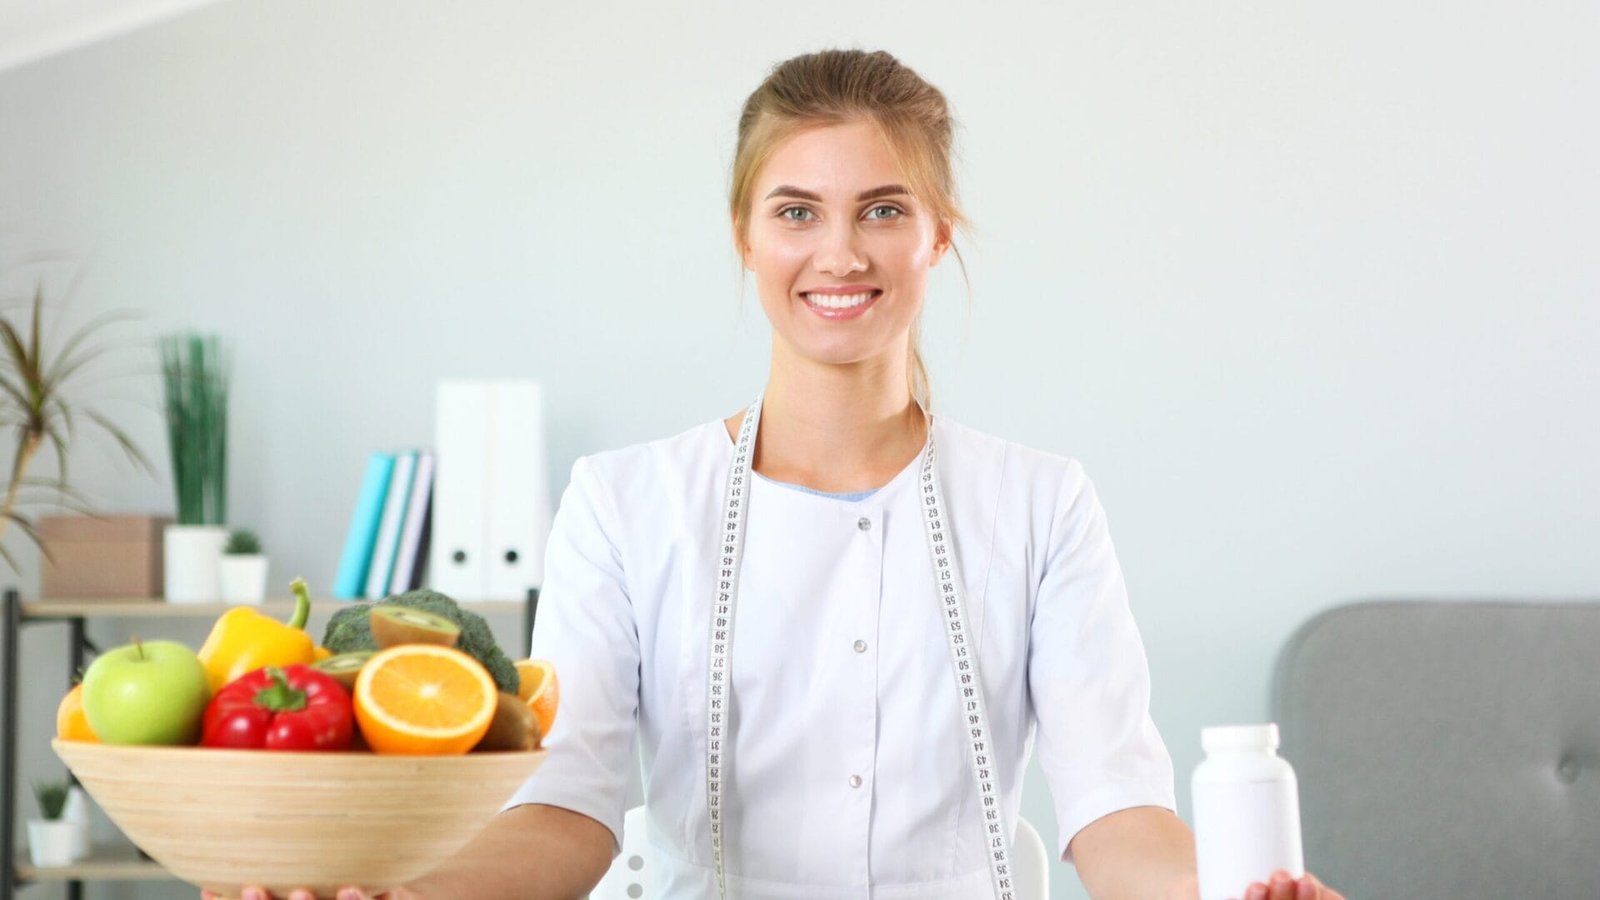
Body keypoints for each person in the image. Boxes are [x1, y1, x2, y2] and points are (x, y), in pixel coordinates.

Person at [213, 49, 1343, 900]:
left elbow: (1114, 810)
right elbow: (567, 810)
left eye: (883, 210)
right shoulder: (626, 504)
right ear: (745, 235)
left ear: (937, 236)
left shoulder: (1041, 504)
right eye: (797, 211)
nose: (839, 253)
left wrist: (1221, 894)